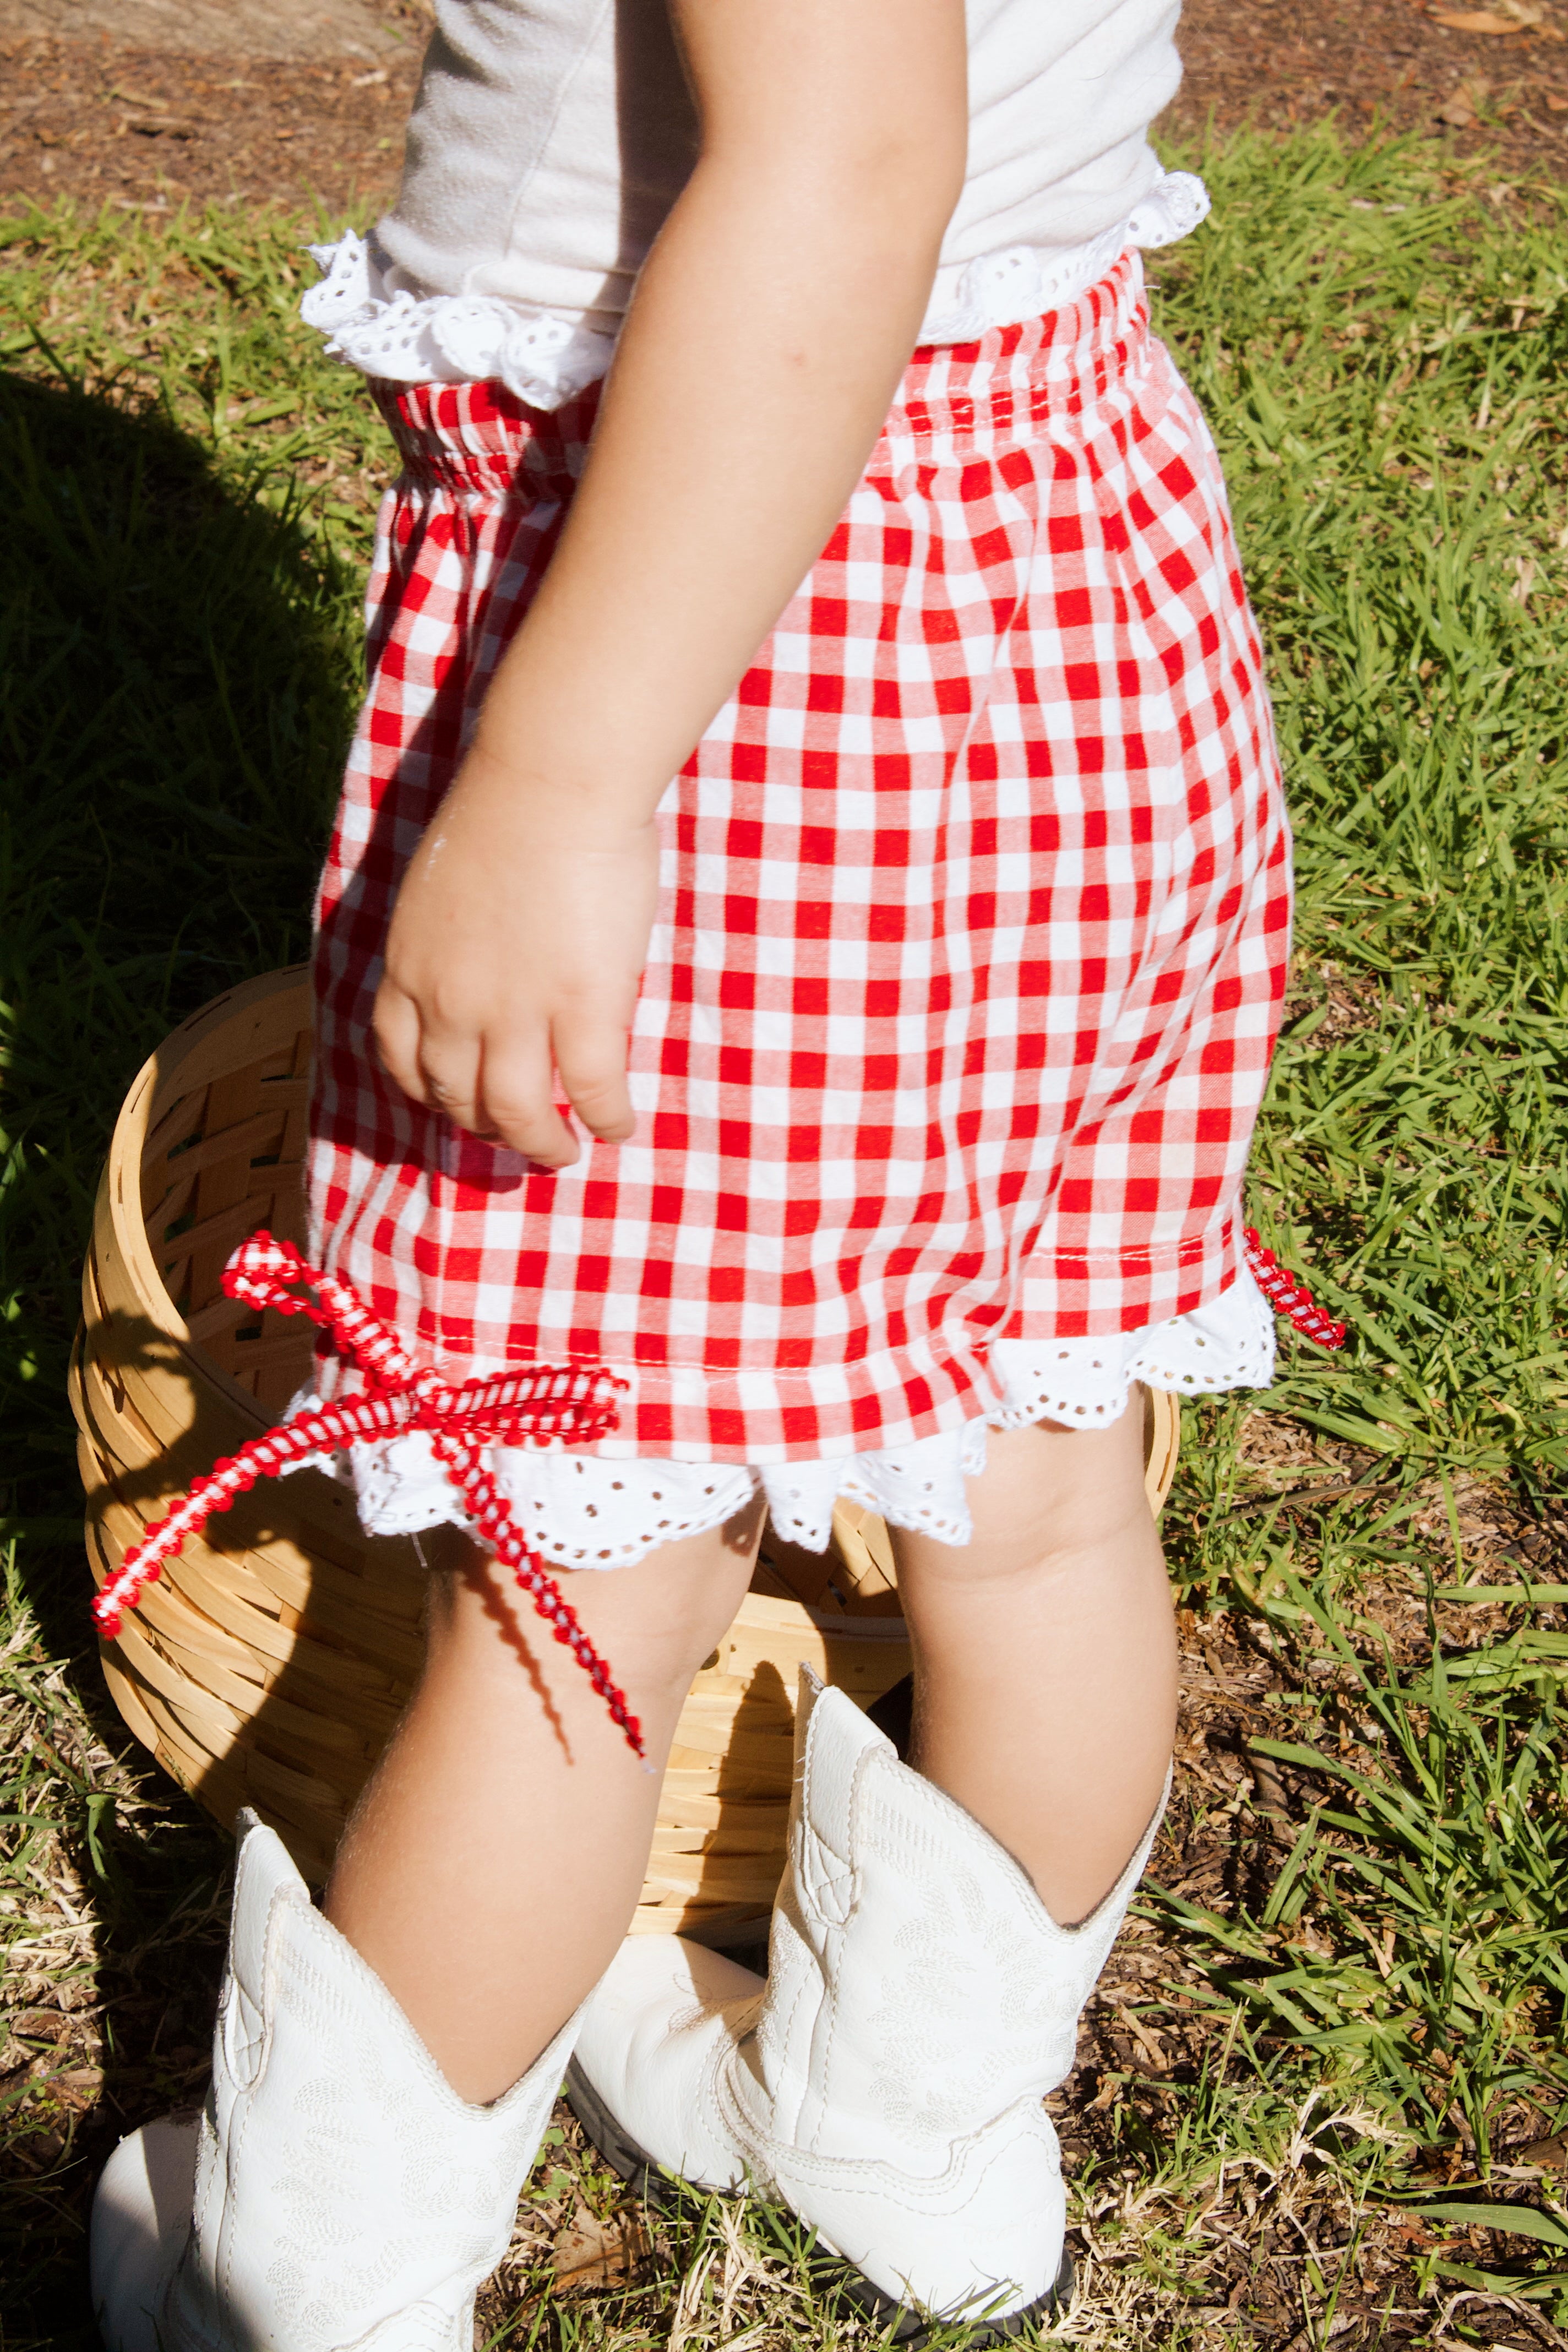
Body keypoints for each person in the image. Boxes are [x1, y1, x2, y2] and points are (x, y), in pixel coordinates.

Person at [90, 0, 1305, 2342]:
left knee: (575, 1595)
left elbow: (837, 172)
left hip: (734, 665)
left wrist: (556, 781)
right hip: (1070, 586)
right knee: (1042, 1479)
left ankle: (312, 2281)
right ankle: (912, 2138)